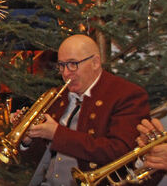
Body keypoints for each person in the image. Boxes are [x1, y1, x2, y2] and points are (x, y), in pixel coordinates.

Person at [22, 34, 150, 185]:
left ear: (95, 62)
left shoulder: (126, 95)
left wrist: (57, 134)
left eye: (72, 64)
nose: (65, 73)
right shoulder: (59, 95)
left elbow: (120, 152)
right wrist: (28, 140)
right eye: (61, 65)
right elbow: (45, 157)